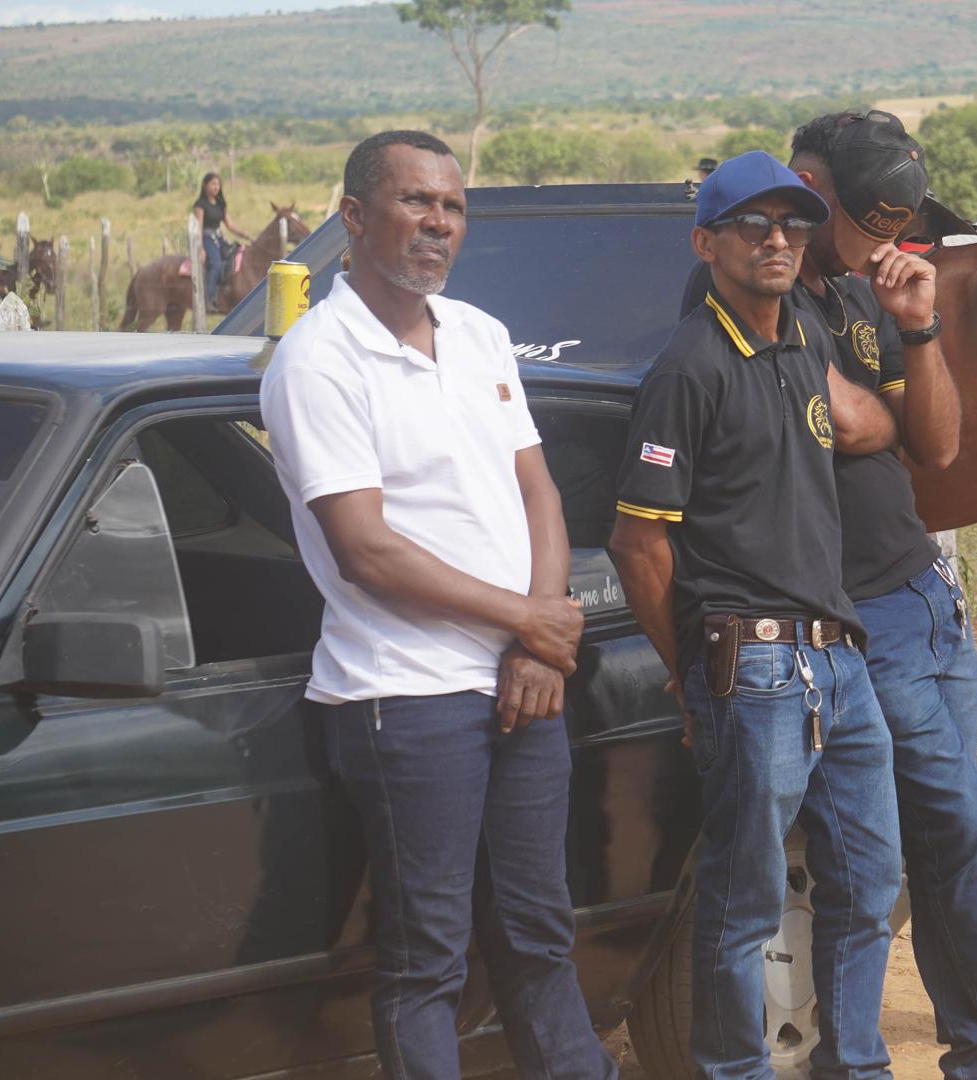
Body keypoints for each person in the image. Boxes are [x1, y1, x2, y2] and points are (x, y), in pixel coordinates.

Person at [676, 111, 977, 1080]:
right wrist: (884, 403)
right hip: (857, 611)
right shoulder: (755, 291)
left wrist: (920, 326)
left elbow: (936, 443)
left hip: (926, 594)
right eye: (863, 223)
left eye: (892, 228)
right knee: (954, 834)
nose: (876, 246)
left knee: (946, 842)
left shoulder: (866, 295)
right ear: (808, 182)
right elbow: (857, 426)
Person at [259, 130, 616, 1080]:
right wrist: (528, 621)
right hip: (406, 695)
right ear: (353, 216)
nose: (438, 223)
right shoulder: (317, 360)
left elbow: (537, 491)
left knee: (539, 934)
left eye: (453, 206)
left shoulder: (480, 334)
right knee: (427, 960)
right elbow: (366, 550)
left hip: (522, 681)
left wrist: (538, 640)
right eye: (416, 201)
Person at [607, 150, 902, 1079]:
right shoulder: (689, 367)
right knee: (743, 901)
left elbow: (870, 425)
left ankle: (855, 1066)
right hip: (755, 663)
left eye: (793, 224)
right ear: (707, 244)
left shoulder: (803, 338)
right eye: (752, 225)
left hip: (838, 658)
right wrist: (692, 670)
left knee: (870, 882)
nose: (778, 240)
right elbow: (638, 546)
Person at [194, 172, 252, 312]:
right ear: (205, 185)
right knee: (215, 263)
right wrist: (201, 248)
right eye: (213, 184)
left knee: (235, 256)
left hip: (219, 238)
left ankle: (227, 295)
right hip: (207, 238)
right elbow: (198, 227)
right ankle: (208, 300)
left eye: (218, 184)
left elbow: (230, 225)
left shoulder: (220, 203)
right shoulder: (200, 205)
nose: (216, 187)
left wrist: (245, 234)